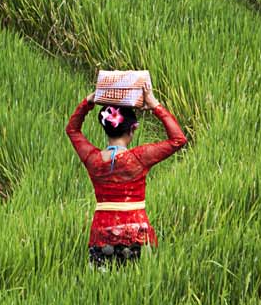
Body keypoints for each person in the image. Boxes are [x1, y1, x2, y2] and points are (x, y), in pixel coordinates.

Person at [64, 84, 188, 269]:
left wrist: (88, 102)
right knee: (136, 288)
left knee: (103, 290)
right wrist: (154, 104)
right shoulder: (138, 158)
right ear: (132, 130)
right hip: (136, 234)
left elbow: (72, 130)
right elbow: (178, 139)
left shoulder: (93, 159)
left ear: (106, 129)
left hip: (101, 236)